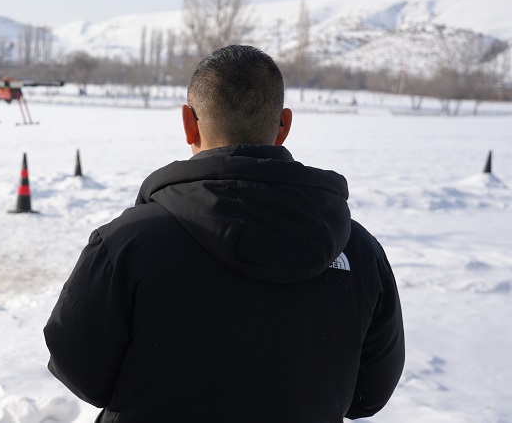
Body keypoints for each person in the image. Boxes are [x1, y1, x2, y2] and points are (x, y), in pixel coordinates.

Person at [43, 45, 404, 422]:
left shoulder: (126, 244)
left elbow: (83, 374)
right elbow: (368, 395)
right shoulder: (359, 251)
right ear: (284, 125)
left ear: (188, 123)